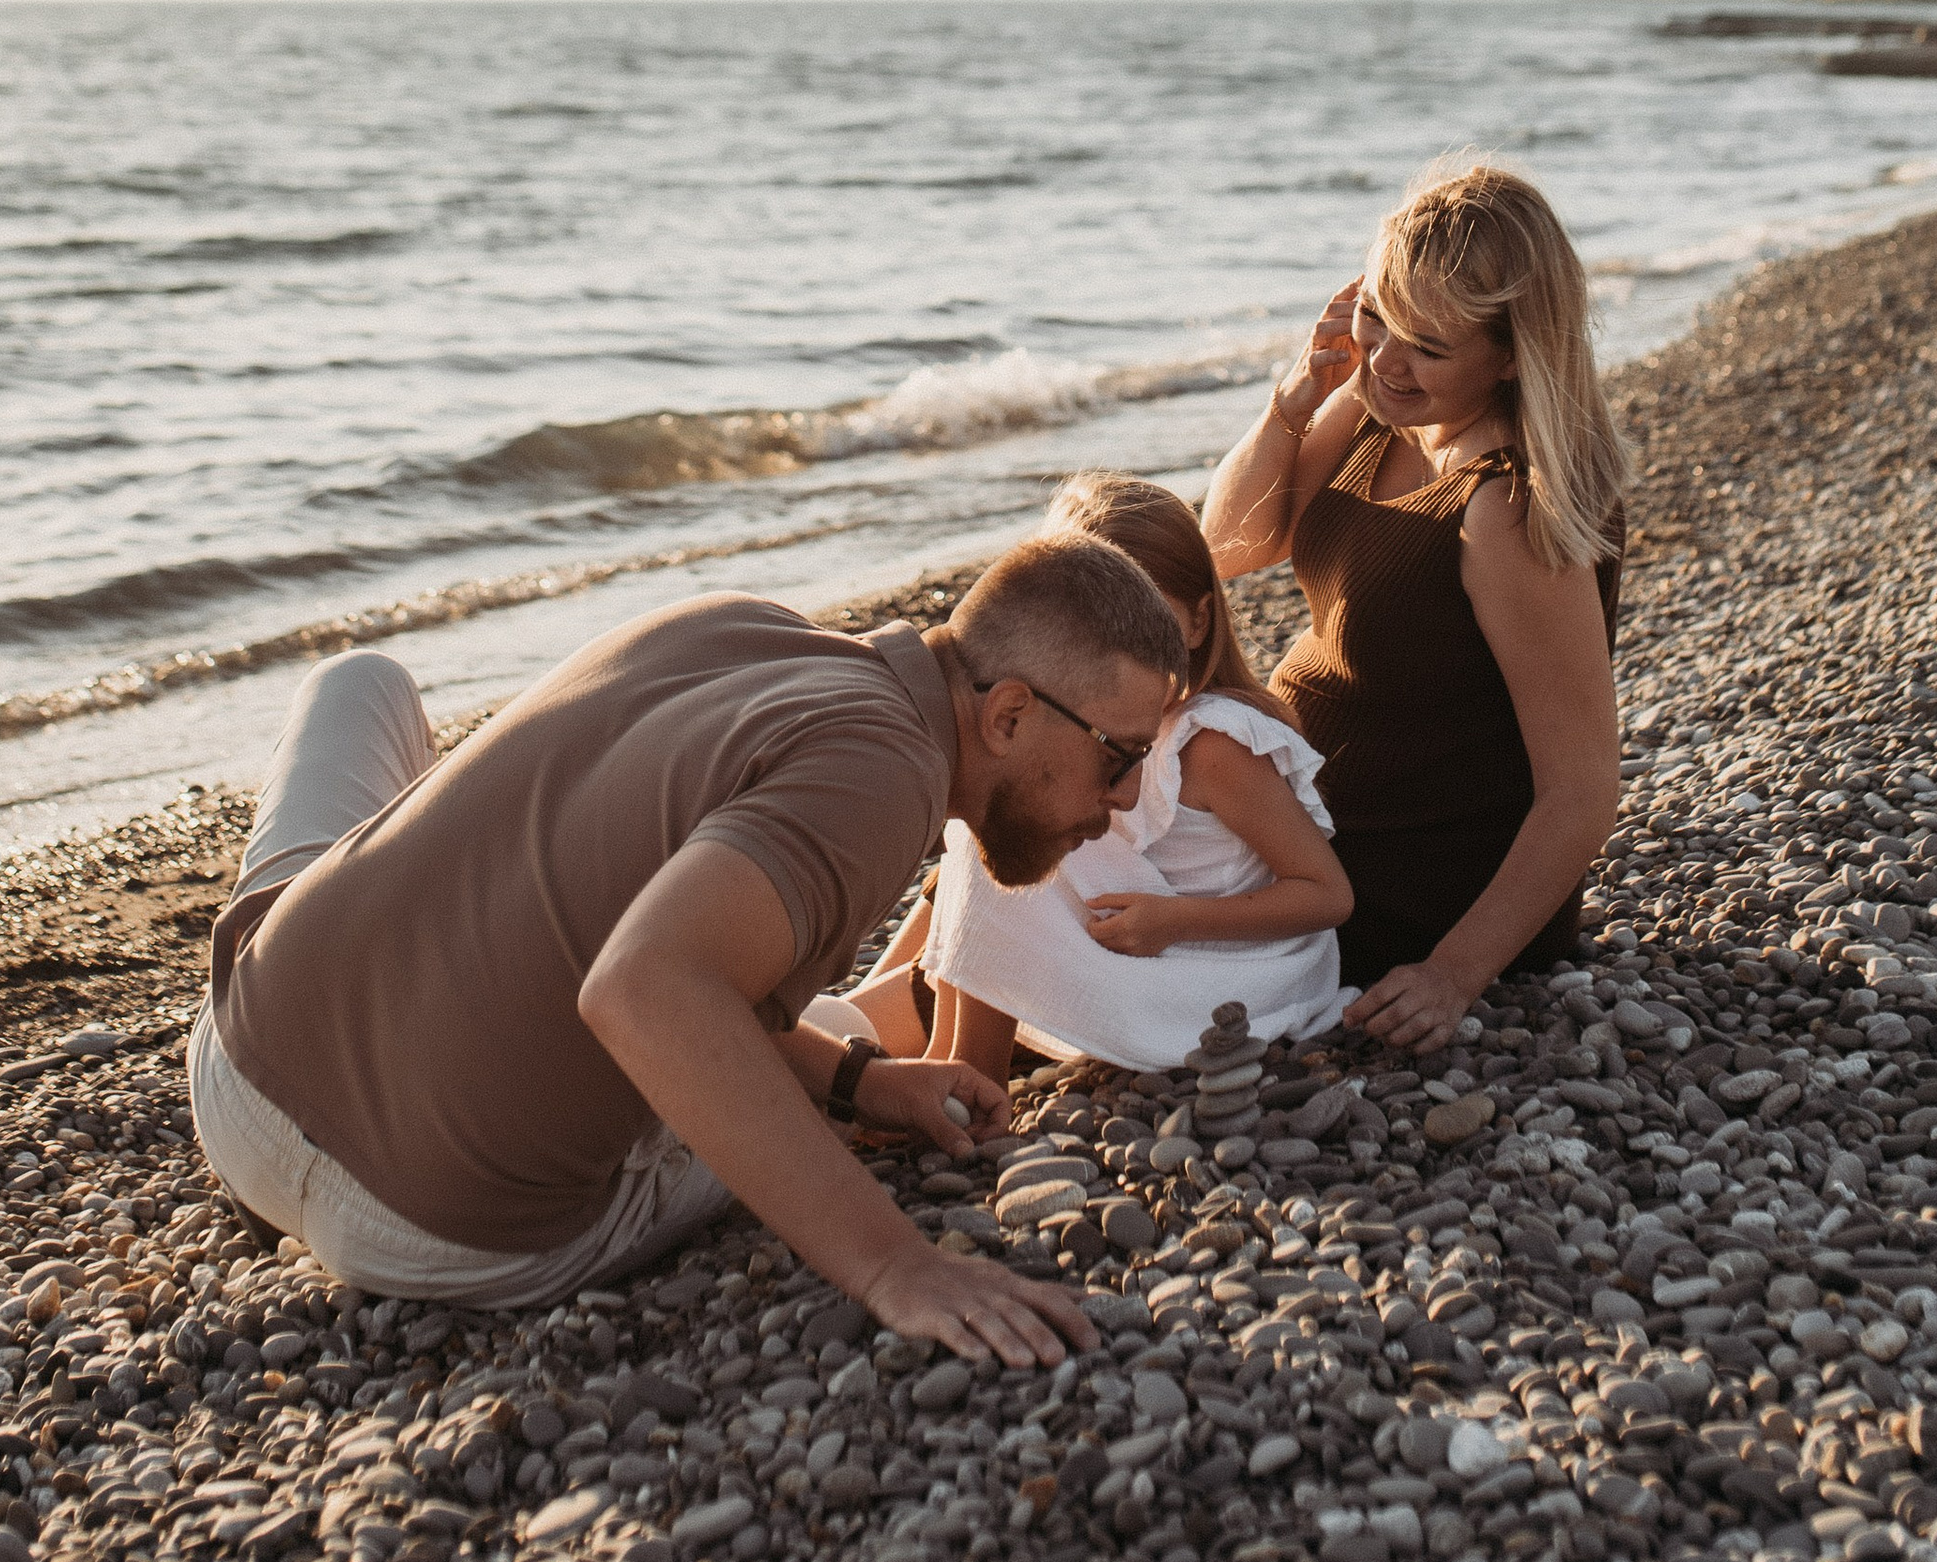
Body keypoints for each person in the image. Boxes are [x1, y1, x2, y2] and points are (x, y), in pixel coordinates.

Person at [187, 535, 1187, 1364]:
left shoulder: (737, 626)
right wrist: (899, 1267)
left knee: (360, 680)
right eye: (1120, 756)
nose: (1130, 800)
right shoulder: (880, 777)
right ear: (1007, 714)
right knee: (781, 1020)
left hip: (239, 1066)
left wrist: (858, 1086)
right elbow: (643, 988)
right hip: (431, 1229)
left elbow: (623, 946)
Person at [1201, 154, 1624, 1054]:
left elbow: (1583, 791)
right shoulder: (1378, 408)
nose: (1388, 359)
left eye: (1428, 345)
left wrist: (1452, 975)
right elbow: (1230, 544)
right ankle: (866, 1056)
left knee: (1084, 880)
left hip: (1403, 881)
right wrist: (1294, 398)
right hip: (1299, 826)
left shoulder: (1504, 506)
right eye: (1377, 316)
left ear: (1511, 355)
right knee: (1052, 817)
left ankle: (869, 1071)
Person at [866, 473, 1355, 1078]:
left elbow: (1328, 893)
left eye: (1150, 611)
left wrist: (1173, 920)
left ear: (1200, 620)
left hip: (1224, 973)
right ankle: (931, 1050)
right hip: (1137, 946)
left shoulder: (1212, 742)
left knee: (1017, 816)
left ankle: (970, 1069)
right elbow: (957, 883)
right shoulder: (1068, 732)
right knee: (1000, 806)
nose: (1118, 636)